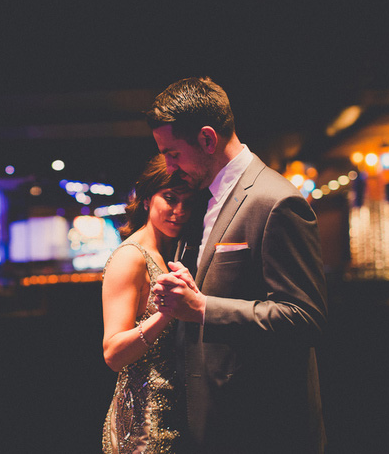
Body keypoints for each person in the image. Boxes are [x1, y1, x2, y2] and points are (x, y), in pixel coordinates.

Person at [146, 77, 328, 453]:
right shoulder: (203, 198)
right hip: (214, 420)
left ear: (208, 140)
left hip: (263, 426)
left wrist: (203, 308)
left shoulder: (276, 201)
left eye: (173, 153)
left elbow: (305, 318)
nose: (168, 165)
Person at [101, 154, 196, 453]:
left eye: (188, 202)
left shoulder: (173, 249)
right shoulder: (131, 256)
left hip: (176, 414)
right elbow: (113, 354)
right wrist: (166, 314)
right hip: (144, 426)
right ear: (146, 200)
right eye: (170, 198)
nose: (179, 211)